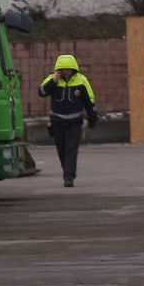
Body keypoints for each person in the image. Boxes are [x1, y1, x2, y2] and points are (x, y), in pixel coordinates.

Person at [38, 54, 99, 187]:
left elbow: (89, 101)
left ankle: (69, 176)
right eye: (63, 69)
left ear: (73, 69)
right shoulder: (52, 79)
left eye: (68, 69)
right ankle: (67, 169)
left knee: (71, 149)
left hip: (74, 122)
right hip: (57, 121)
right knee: (61, 148)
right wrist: (53, 82)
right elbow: (42, 92)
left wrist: (93, 118)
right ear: (58, 70)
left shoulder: (81, 81)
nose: (66, 72)